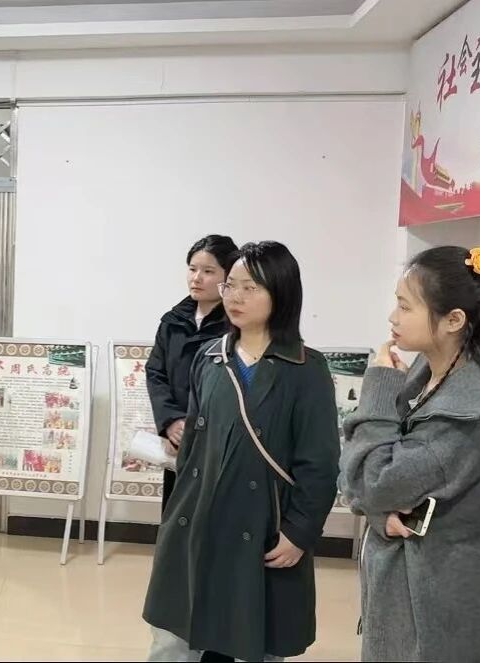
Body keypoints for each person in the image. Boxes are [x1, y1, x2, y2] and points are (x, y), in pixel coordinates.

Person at [142, 241, 340, 662]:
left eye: (250, 287)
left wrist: (300, 532)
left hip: (265, 526)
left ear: (281, 293)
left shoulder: (306, 368)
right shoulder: (209, 357)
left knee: (257, 636)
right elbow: (193, 449)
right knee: (176, 636)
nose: (235, 297)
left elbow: (319, 463)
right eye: (231, 285)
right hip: (200, 519)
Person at [339, 244, 480, 662]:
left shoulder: (467, 410)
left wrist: (378, 388)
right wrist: (380, 512)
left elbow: (374, 481)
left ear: (453, 320)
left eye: (405, 306)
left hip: (432, 607)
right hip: (409, 589)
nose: (393, 317)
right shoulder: (430, 374)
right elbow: (361, 478)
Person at [146, 234, 239, 513]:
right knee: (175, 514)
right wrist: (171, 422)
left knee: (212, 516)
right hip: (177, 440)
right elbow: (156, 373)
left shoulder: (236, 325)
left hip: (218, 441)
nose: (196, 278)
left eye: (208, 271)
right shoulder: (172, 321)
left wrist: (198, 427)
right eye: (192, 269)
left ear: (228, 277)